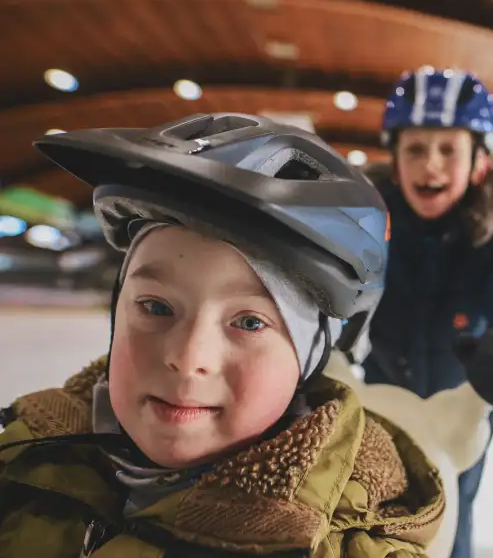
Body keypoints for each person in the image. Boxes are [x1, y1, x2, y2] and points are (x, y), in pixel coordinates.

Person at [0, 113, 445, 557]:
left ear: (312, 355)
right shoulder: (23, 456)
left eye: (249, 322)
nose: (187, 355)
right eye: (156, 307)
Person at [360, 67, 493, 558]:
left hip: (459, 410)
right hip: (378, 394)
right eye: (415, 148)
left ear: (479, 162)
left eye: (448, 150)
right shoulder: (366, 217)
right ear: (394, 159)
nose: (430, 165)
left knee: (451, 519)